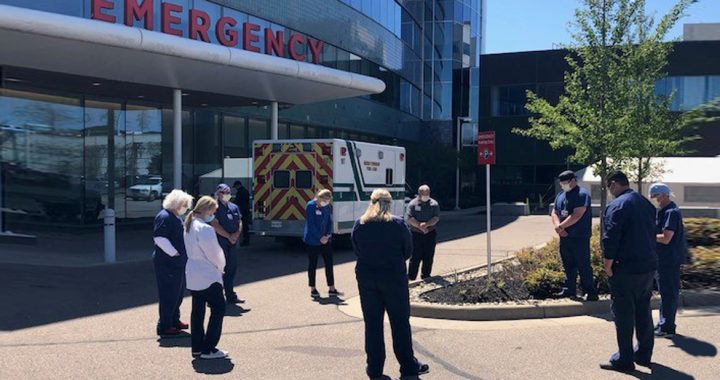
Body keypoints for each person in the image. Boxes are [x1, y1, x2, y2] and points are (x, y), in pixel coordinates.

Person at [352, 188, 430, 380]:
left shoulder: (360, 224)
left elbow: (357, 249)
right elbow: (408, 251)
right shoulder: (397, 224)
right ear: (389, 203)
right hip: (393, 278)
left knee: (373, 324)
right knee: (400, 322)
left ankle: (374, 369)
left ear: (371, 202)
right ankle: (408, 366)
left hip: (367, 278)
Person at [600, 171, 658, 373]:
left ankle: (624, 359)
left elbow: (610, 238)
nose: (609, 191)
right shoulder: (645, 203)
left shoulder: (617, 205)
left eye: (608, 187)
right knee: (643, 311)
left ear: (614, 184)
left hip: (625, 268)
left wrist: (607, 265)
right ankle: (643, 353)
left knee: (623, 315)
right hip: (647, 266)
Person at [184, 196, 228, 360]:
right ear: (207, 210)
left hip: (193, 273)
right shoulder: (205, 229)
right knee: (218, 309)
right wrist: (221, 267)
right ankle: (209, 348)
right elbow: (215, 253)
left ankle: (197, 347)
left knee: (197, 311)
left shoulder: (189, 225)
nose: (214, 215)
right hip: (207, 275)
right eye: (213, 211)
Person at [551, 170, 599, 301]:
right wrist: (558, 227)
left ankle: (590, 291)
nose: (563, 185)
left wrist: (561, 227)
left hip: (579, 237)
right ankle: (569, 289)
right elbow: (554, 212)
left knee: (583, 265)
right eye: (561, 183)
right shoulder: (561, 195)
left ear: (573, 180)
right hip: (564, 237)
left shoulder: (581, 194)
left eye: (565, 182)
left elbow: (577, 214)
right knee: (568, 264)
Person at [152, 189, 193, 336]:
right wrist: (174, 253)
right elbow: (159, 238)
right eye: (184, 205)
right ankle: (165, 325)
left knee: (177, 293)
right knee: (169, 294)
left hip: (177, 263)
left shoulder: (174, 216)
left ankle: (174, 320)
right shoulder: (164, 216)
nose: (186, 208)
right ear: (177, 204)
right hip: (168, 263)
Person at [649, 183, 686, 338]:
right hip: (663, 259)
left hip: (669, 260)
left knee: (668, 293)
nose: (654, 200)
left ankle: (667, 327)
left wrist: (647, 237)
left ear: (664, 195)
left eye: (655, 196)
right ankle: (664, 323)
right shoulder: (664, 211)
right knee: (665, 293)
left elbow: (666, 238)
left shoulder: (671, 212)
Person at [303, 189, 341, 298]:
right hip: (313, 239)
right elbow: (311, 225)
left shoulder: (326, 207)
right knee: (313, 264)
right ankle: (313, 288)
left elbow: (329, 222)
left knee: (329, 262)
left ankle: (332, 287)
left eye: (328, 200)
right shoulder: (310, 206)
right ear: (319, 198)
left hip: (325, 239)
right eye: (325, 200)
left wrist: (327, 235)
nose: (327, 202)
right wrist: (320, 237)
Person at [210, 183, 244, 304]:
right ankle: (215, 297)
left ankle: (230, 295)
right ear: (218, 194)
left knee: (231, 269)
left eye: (228, 192)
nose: (227, 195)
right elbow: (214, 224)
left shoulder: (233, 207)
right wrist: (229, 236)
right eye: (224, 193)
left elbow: (239, 222)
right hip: (220, 242)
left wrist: (235, 235)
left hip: (232, 242)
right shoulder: (214, 207)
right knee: (218, 270)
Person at [405, 185, 440, 280]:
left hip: (430, 233)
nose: (426, 195)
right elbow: (410, 218)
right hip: (415, 234)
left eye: (427, 193)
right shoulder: (413, 204)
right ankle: (411, 277)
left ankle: (426, 276)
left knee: (428, 256)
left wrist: (427, 225)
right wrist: (420, 226)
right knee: (415, 256)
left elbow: (436, 218)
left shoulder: (434, 204)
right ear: (419, 193)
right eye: (424, 194)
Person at [232, 180, 251, 246]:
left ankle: (245, 241)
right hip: (246, 210)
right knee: (246, 226)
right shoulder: (246, 191)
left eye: (236, 186)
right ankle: (246, 240)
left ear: (238, 185)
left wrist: (232, 203)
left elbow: (238, 201)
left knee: (243, 226)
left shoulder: (240, 192)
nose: (236, 188)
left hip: (242, 211)